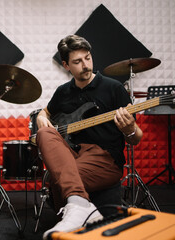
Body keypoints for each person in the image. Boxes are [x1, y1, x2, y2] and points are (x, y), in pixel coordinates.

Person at [36, 35, 143, 239]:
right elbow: (47, 112)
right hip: (73, 154)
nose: (85, 65)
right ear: (66, 65)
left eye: (87, 58)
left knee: (59, 180)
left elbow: (135, 138)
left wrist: (129, 129)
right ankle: (82, 208)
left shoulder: (114, 88)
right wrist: (42, 116)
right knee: (44, 132)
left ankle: (77, 209)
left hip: (105, 158)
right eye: (77, 61)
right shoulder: (63, 92)